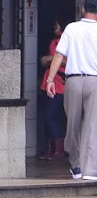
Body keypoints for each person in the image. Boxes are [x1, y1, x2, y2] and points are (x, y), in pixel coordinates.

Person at [46, 0, 97, 180]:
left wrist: (50, 80)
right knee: (92, 126)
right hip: (95, 81)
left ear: (83, 10)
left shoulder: (71, 28)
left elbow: (59, 55)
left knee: (73, 124)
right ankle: (90, 170)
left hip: (73, 81)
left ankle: (76, 166)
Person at [40, 19, 67, 161]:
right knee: (47, 118)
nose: (54, 27)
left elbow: (69, 61)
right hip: (50, 83)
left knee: (51, 117)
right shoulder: (54, 41)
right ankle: (50, 150)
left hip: (61, 85)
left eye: (56, 25)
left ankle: (59, 150)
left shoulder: (67, 39)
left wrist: (52, 59)